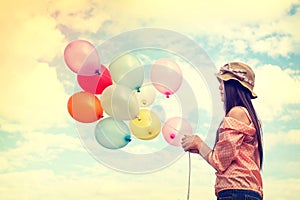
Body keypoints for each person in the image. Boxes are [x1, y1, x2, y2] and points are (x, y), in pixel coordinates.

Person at [181, 62, 263, 200]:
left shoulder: (236, 113)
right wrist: (200, 149)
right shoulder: (249, 115)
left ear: (233, 86)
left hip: (236, 191)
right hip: (246, 191)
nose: (220, 87)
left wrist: (199, 144)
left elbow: (219, 161)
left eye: (223, 82)